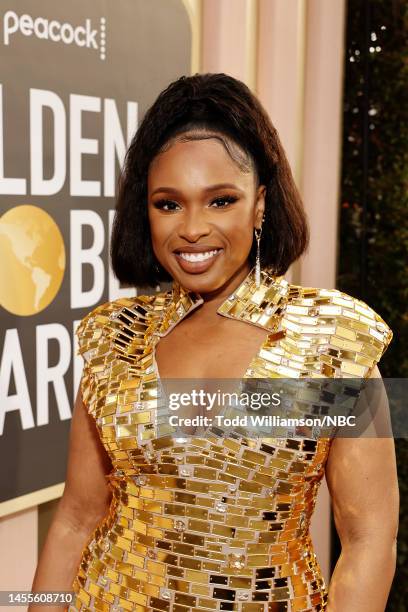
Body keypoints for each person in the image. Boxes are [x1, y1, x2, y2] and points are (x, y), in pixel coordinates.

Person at [31, 73, 399, 612]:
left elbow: (369, 538)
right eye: (168, 204)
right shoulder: (114, 338)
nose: (193, 229)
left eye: (221, 200)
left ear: (260, 205)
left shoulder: (331, 338)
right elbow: (76, 518)